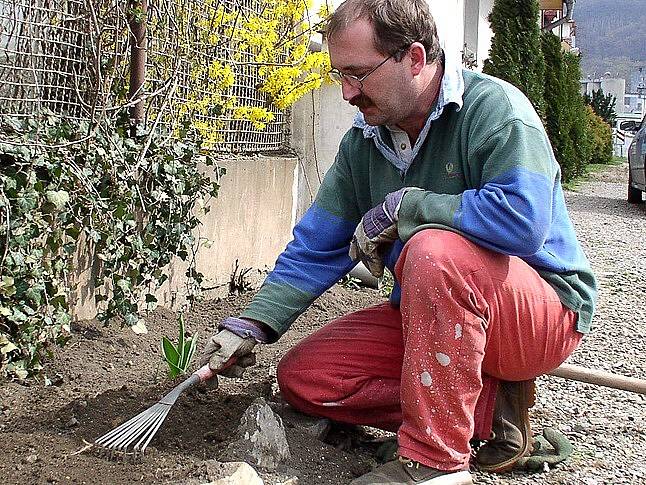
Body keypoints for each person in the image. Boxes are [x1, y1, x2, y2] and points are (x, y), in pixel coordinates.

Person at [199, 0, 597, 483]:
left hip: (536, 313)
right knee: (308, 379)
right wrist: (252, 325)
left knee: (433, 251)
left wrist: (411, 208)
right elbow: (315, 246)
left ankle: (434, 464)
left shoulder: (496, 111)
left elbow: (524, 220)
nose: (347, 93)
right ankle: (492, 409)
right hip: (431, 317)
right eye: (339, 75)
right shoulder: (365, 141)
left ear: (413, 58)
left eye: (358, 74)